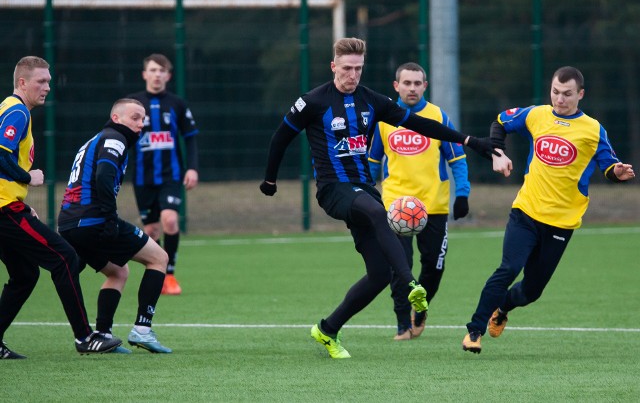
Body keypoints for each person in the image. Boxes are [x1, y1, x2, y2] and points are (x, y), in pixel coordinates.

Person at [259, 37, 497, 358]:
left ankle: (328, 330)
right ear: (334, 67)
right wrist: (270, 179)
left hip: (362, 190)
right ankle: (412, 284)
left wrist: (468, 140)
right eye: (346, 68)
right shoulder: (312, 101)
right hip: (333, 189)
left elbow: (421, 125)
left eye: (358, 69)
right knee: (376, 211)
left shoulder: (373, 101)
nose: (352, 75)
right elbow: (280, 138)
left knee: (378, 275)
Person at [462, 66, 635, 354]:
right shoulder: (536, 115)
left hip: (561, 224)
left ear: (581, 94)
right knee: (508, 268)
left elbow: (608, 166)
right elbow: (500, 122)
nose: (560, 99)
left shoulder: (593, 129)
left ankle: (503, 308)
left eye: (567, 94)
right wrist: (498, 151)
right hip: (526, 212)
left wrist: (617, 172)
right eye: (555, 92)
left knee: (531, 291)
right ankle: (474, 331)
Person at [0, 56, 122, 358]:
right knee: (65, 256)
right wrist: (28, 177)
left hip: (8, 206)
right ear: (22, 83)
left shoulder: (8, 108)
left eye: (49, 81)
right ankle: (84, 338)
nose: (48, 87)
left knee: (25, 274)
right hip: (3, 210)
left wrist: (22, 201)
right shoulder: (17, 112)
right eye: (41, 81)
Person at [58, 98, 172, 354]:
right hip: (93, 220)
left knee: (118, 272)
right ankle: (142, 329)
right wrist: (109, 219)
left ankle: (102, 335)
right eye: (135, 117)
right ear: (116, 117)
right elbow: (103, 177)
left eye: (143, 119)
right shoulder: (114, 139)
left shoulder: (94, 140)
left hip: (69, 223)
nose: (140, 124)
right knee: (159, 258)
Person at [368, 62, 470, 340]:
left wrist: (462, 194)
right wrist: (368, 196)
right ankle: (403, 323)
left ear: (425, 86)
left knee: (434, 267)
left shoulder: (438, 116)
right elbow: (373, 161)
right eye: (407, 83)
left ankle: (420, 310)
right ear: (396, 86)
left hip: (433, 207)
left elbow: (457, 158)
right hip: (396, 208)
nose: (412, 88)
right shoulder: (384, 119)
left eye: (417, 83)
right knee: (400, 267)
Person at [127, 53, 199, 296]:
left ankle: (169, 275)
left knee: (169, 220)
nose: (157, 75)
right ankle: (156, 273)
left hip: (171, 175)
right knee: (151, 231)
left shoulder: (177, 104)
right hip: (142, 177)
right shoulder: (133, 105)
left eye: (162, 71)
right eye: (153, 70)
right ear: (144, 74)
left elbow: (190, 138)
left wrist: (192, 167)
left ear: (168, 75)